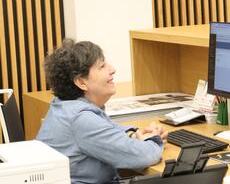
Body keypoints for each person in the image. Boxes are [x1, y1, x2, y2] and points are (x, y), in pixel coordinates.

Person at [36, 39, 167, 184]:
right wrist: (155, 139)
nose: (112, 69)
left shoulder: (64, 106)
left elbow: (106, 129)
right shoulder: (80, 119)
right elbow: (143, 156)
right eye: (102, 66)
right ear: (81, 82)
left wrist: (133, 135)